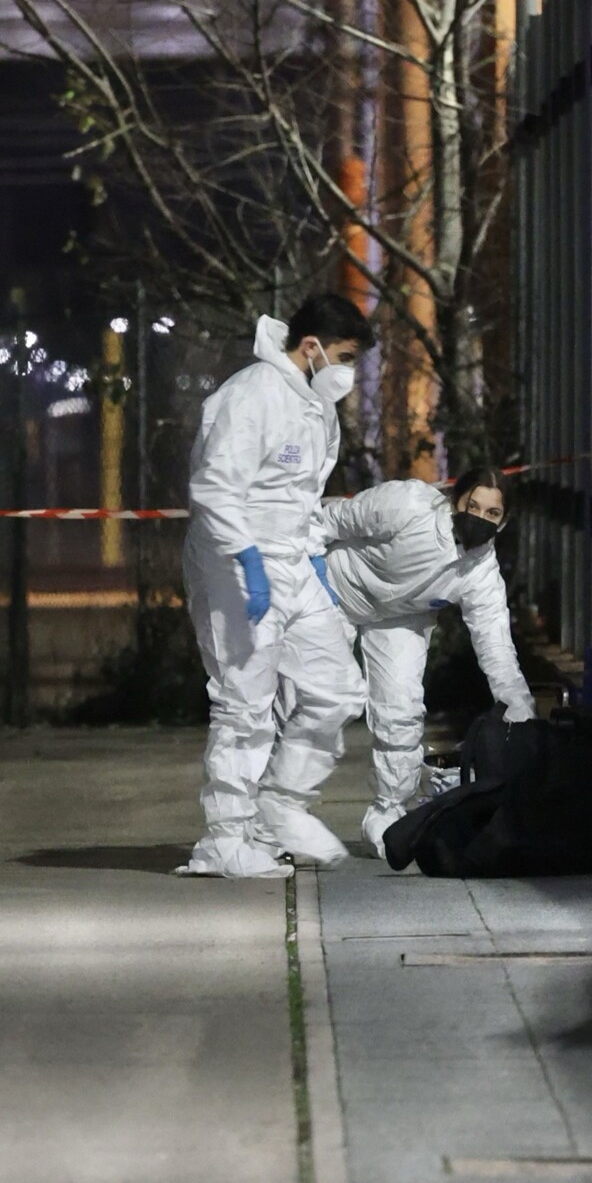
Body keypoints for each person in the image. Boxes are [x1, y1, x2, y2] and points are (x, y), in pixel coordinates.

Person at [177, 295, 373, 878]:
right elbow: (215, 486)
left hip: (292, 561)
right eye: (344, 357)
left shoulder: (316, 408)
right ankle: (225, 839)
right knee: (245, 704)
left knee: (338, 690)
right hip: (235, 563)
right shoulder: (252, 394)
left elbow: (304, 496)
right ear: (311, 347)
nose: (348, 371)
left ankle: (278, 811)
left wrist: (315, 564)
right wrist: (247, 557)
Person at [318, 463, 536, 853]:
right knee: (313, 699)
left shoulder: (481, 573)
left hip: (401, 617)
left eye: (492, 513)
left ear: (503, 523)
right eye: (473, 506)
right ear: (455, 501)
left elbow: (496, 647)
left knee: (401, 712)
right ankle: (272, 813)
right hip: (335, 591)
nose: (479, 518)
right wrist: (305, 566)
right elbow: (333, 520)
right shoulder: (407, 504)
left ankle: (388, 815)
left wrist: (520, 710)